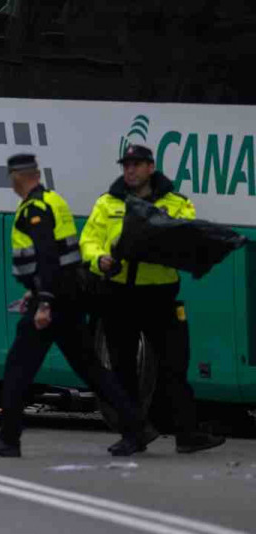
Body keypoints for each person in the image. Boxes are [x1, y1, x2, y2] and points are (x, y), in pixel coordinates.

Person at [0, 154, 148, 458]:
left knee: (17, 369)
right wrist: (36, 292)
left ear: (16, 177)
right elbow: (64, 257)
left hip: (53, 304)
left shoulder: (34, 209)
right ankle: (136, 427)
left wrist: (44, 302)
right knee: (91, 369)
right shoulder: (54, 201)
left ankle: (8, 438)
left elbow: (49, 257)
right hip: (67, 297)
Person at [80, 143, 225, 454]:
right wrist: (100, 259)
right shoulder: (107, 204)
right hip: (119, 295)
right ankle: (133, 435)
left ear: (151, 167)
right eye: (126, 165)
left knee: (174, 366)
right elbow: (88, 242)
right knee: (123, 369)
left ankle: (187, 434)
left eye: (137, 164)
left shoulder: (177, 203)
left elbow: (185, 238)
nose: (130, 170)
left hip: (160, 296)